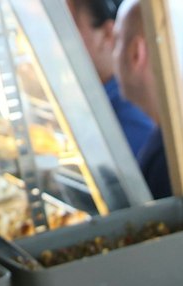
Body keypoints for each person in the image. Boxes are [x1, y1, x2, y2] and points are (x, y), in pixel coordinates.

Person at [66, 0, 156, 162]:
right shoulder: (99, 95)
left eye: (69, 28)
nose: (59, 42)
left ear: (108, 34)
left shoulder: (130, 114)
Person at [113, 0, 170, 197]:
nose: (113, 56)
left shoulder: (168, 159)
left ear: (136, 53)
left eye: (117, 41)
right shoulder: (174, 134)